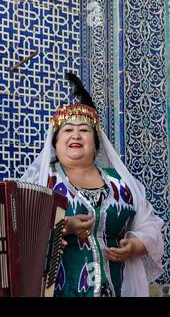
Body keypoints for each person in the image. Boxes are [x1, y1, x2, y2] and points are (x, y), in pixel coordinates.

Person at [20, 73, 164, 297]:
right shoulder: (41, 182)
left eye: (84, 130)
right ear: (55, 144)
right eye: (67, 130)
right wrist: (63, 227)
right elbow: (19, 232)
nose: (76, 135)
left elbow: (150, 225)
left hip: (118, 289)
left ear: (96, 144)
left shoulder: (122, 183)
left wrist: (134, 246)